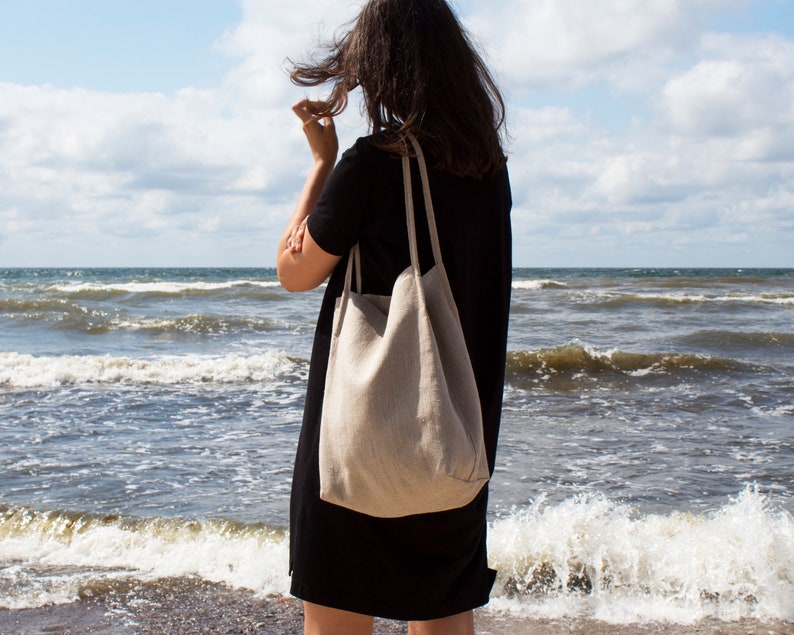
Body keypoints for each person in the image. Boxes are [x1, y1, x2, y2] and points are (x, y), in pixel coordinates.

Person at [276, 1, 512, 633]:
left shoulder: (372, 165)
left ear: (382, 65)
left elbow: (293, 271)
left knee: (338, 606)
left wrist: (321, 165)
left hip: (361, 436)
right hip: (455, 425)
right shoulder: (488, 170)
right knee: (441, 608)